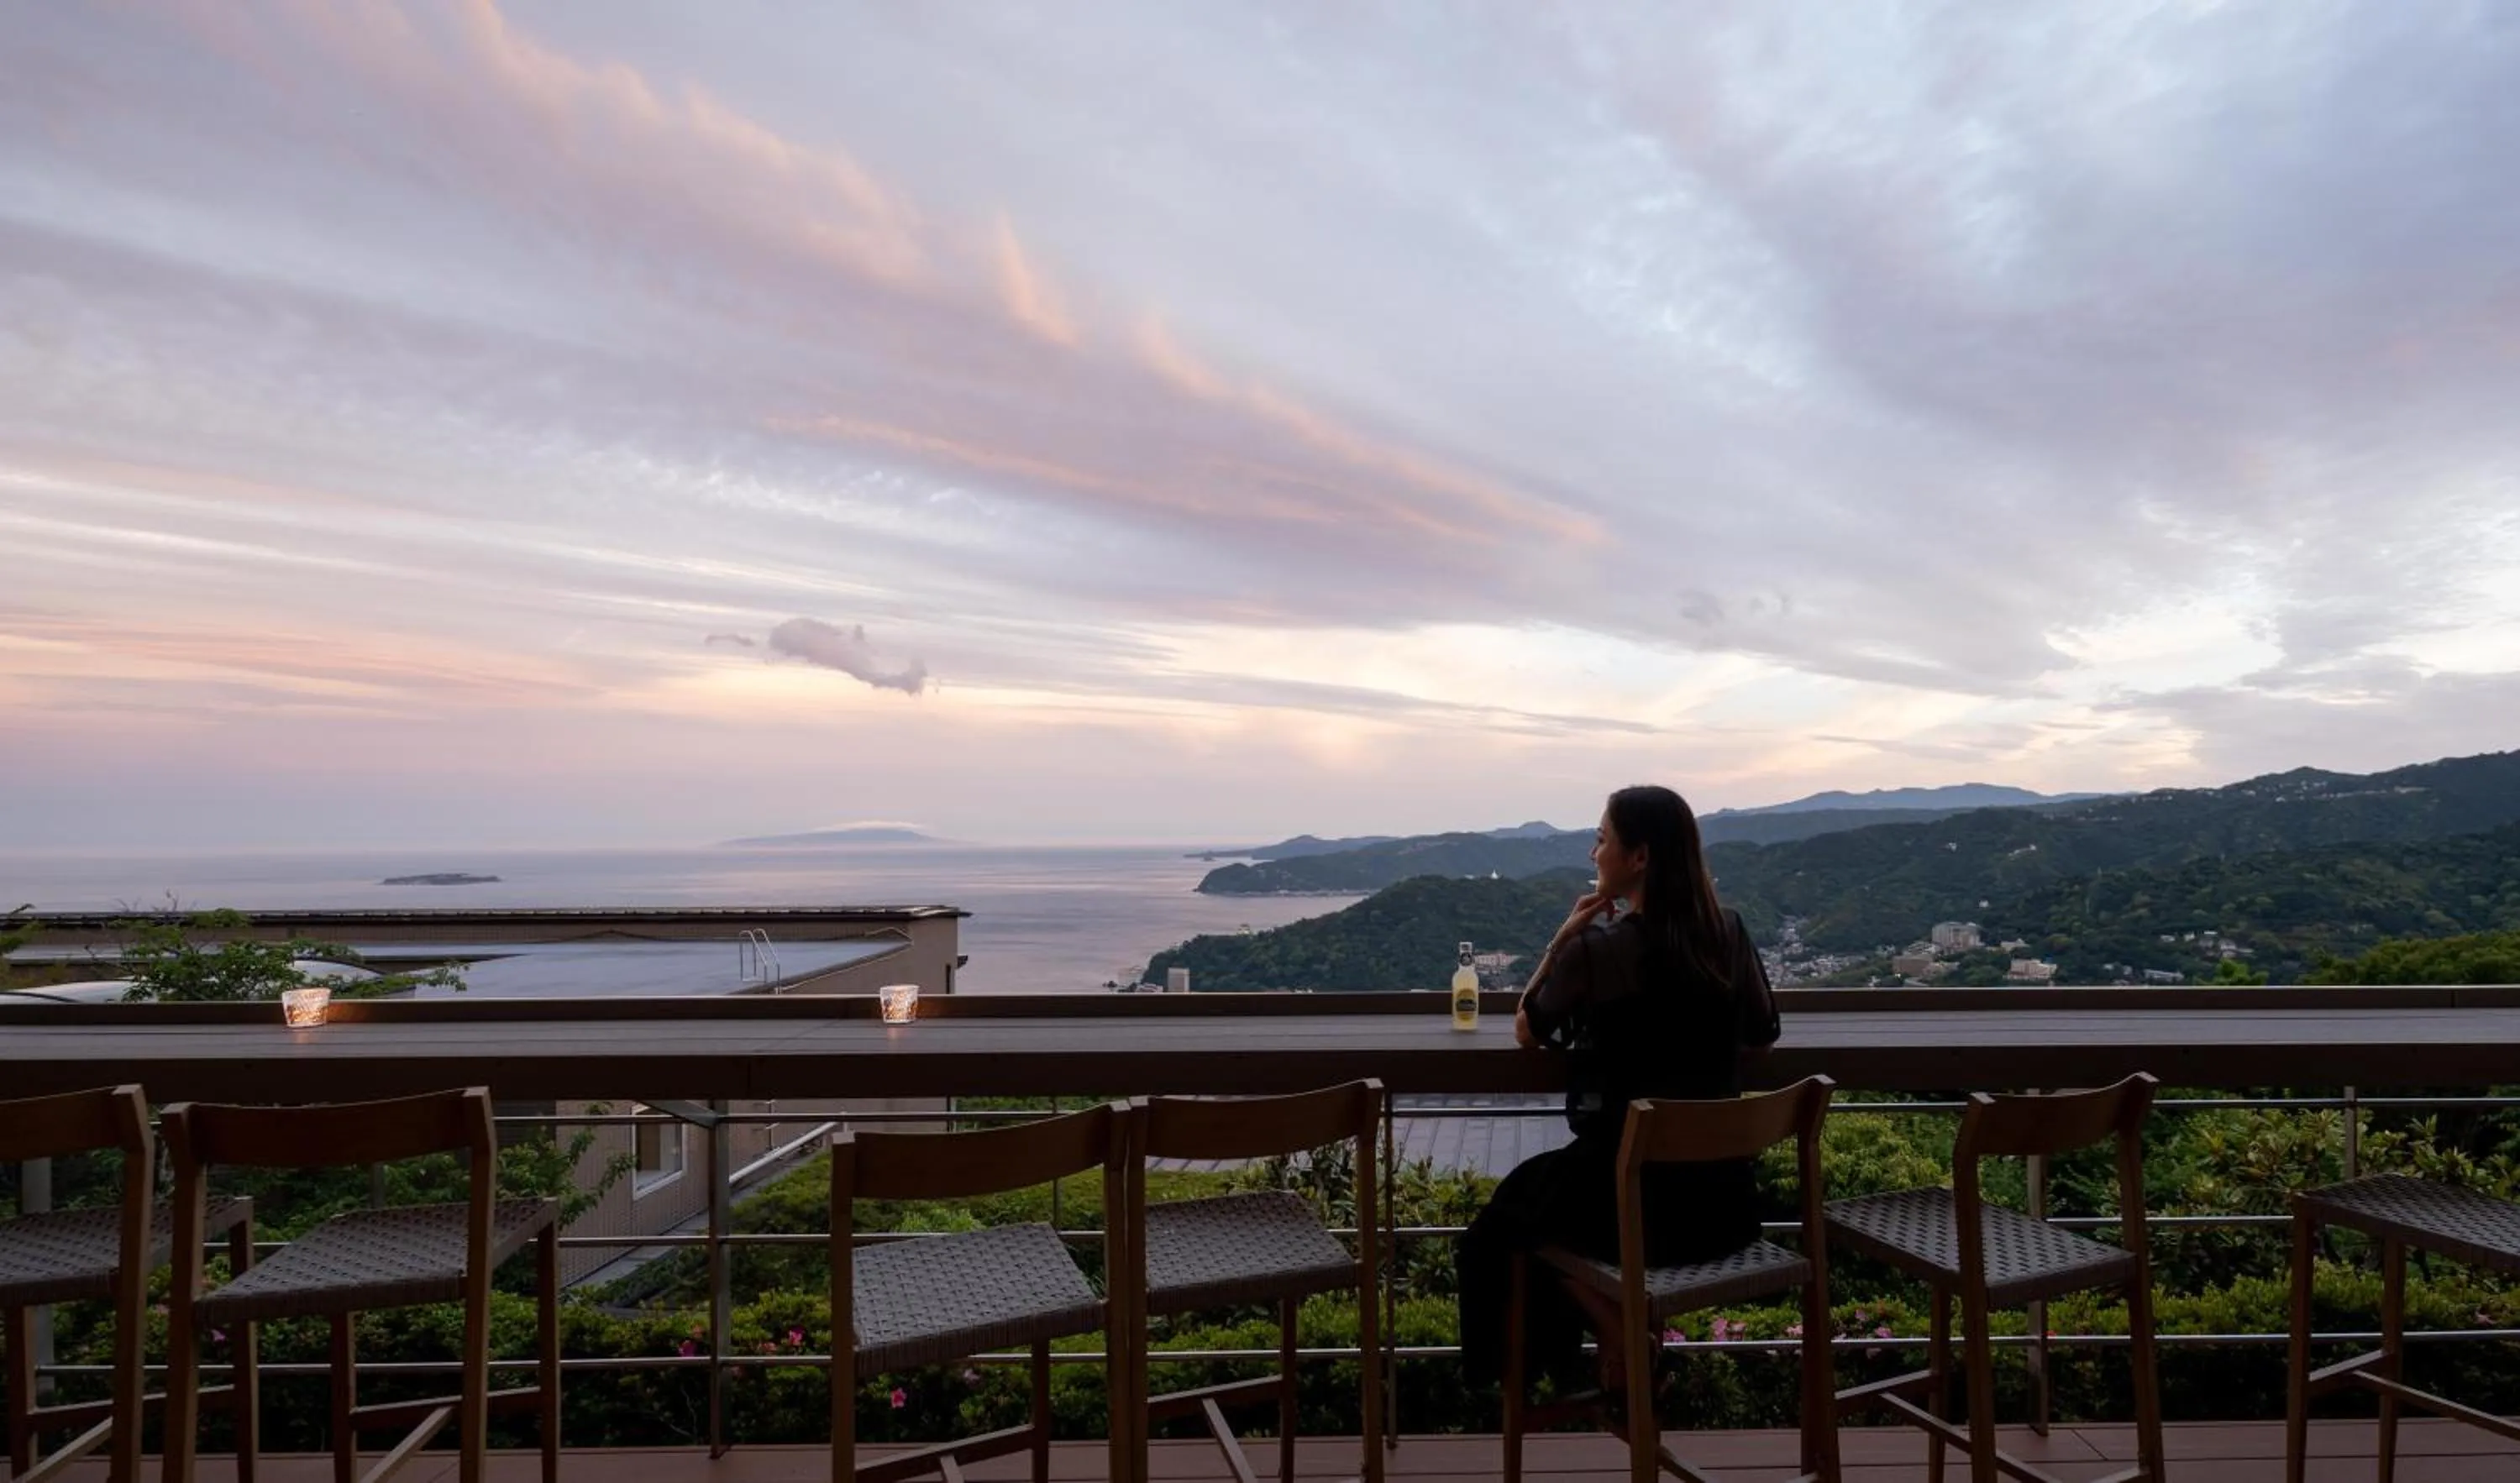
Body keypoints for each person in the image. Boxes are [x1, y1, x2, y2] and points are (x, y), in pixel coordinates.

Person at [1455, 783, 1782, 1394]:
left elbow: (1528, 1030)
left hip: (1627, 1204)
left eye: (1602, 839)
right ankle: (1618, 1344)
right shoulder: (1729, 933)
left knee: (1502, 1231)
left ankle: (1607, 1339)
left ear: (1640, 857)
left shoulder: (1600, 952)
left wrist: (1560, 940)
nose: (1592, 853)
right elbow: (1761, 1036)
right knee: (1526, 1215)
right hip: (1723, 1207)